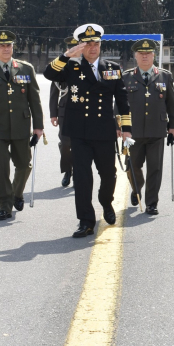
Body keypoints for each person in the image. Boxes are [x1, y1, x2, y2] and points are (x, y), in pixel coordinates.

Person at [44, 24, 132, 237]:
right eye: (88, 44)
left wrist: (127, 129)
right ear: (81, 46)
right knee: (83, 178)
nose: (93, 48)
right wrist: (66, 55)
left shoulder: (112, 68)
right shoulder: (71, 68)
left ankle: (106, 202)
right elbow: (48, 74)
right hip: (79, 132)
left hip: (104, 132)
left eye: (97, 44)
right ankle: (86, 221)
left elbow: (122, 100)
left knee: (109, 175)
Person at [0, 30, 44, 221]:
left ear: (13, 47)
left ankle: (16, 193)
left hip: (21, 125)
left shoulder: (25, 69)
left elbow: (34, 100)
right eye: (2, 46)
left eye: (9, 45)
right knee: (1, 168)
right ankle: (4, 206)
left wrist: (39, 126)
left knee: (24, 165)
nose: (6, 49)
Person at [122, 38, 174, 216]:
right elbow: (119, 104)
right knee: (132, 166)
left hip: (157, 130)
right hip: (133, 131)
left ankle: (151, 203)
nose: (145, 56)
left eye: (148, 53)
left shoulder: (164, 76)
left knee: (155, 168)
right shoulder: (126, 77)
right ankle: (137, 188)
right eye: (141, 53)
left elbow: (172, 104)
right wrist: (120, 126)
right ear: (136, 56)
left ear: (154, 55)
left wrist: (172, 128)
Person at [49, 36, 78, 187]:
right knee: (65, 143)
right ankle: (68, 170)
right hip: (65, 110)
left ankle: (79, 171)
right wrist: (53, 114)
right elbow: (54, 91)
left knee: (81, 144)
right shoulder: (60, 66)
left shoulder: (88, 65)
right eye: (70, 49)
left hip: (83, 112)